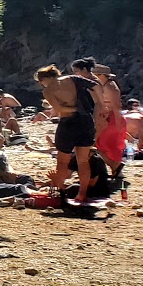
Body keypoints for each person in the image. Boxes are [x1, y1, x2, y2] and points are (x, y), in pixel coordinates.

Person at [36, 62, 99, 203]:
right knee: (83, 161)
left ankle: (61, 191)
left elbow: (60, 109)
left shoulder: (48, 90)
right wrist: (98, 106)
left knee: (63, 160)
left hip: (68, 124)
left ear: (44, 79)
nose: (42, 85)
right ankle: (82, 194)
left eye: (41, 82)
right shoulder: (72, 79)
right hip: (86, 121)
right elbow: (96, 86)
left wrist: (74, 109)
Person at [91, 64, 126, 166]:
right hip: (107, 117)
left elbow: (116, 106)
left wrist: (118, 124)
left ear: (101, 75)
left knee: (108, 144)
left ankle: (116, 167)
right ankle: (114, 167)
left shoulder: (110, 88)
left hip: (111, 118)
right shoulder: (104, 85)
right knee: (104, 144)